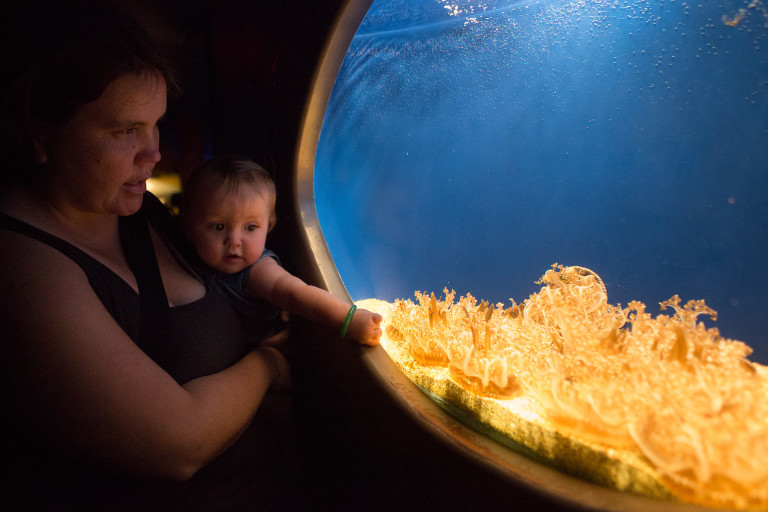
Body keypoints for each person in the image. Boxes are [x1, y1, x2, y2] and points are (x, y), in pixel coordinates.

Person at [0, 2, 348, 510]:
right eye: (124, 132)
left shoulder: (146, 214)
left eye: (156, 124)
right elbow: (180, 443)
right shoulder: (21, 267)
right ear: (41, 132)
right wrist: (271, 363)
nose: (153, 154)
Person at [180, 155, 383, 347]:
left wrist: (349, 319)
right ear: (188, 227)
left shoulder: (259, 271)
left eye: (250, 227)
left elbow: (297, 293)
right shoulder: (183, 257)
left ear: (269, 226)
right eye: (218, 227)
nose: (234, 242)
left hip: (260, 351)